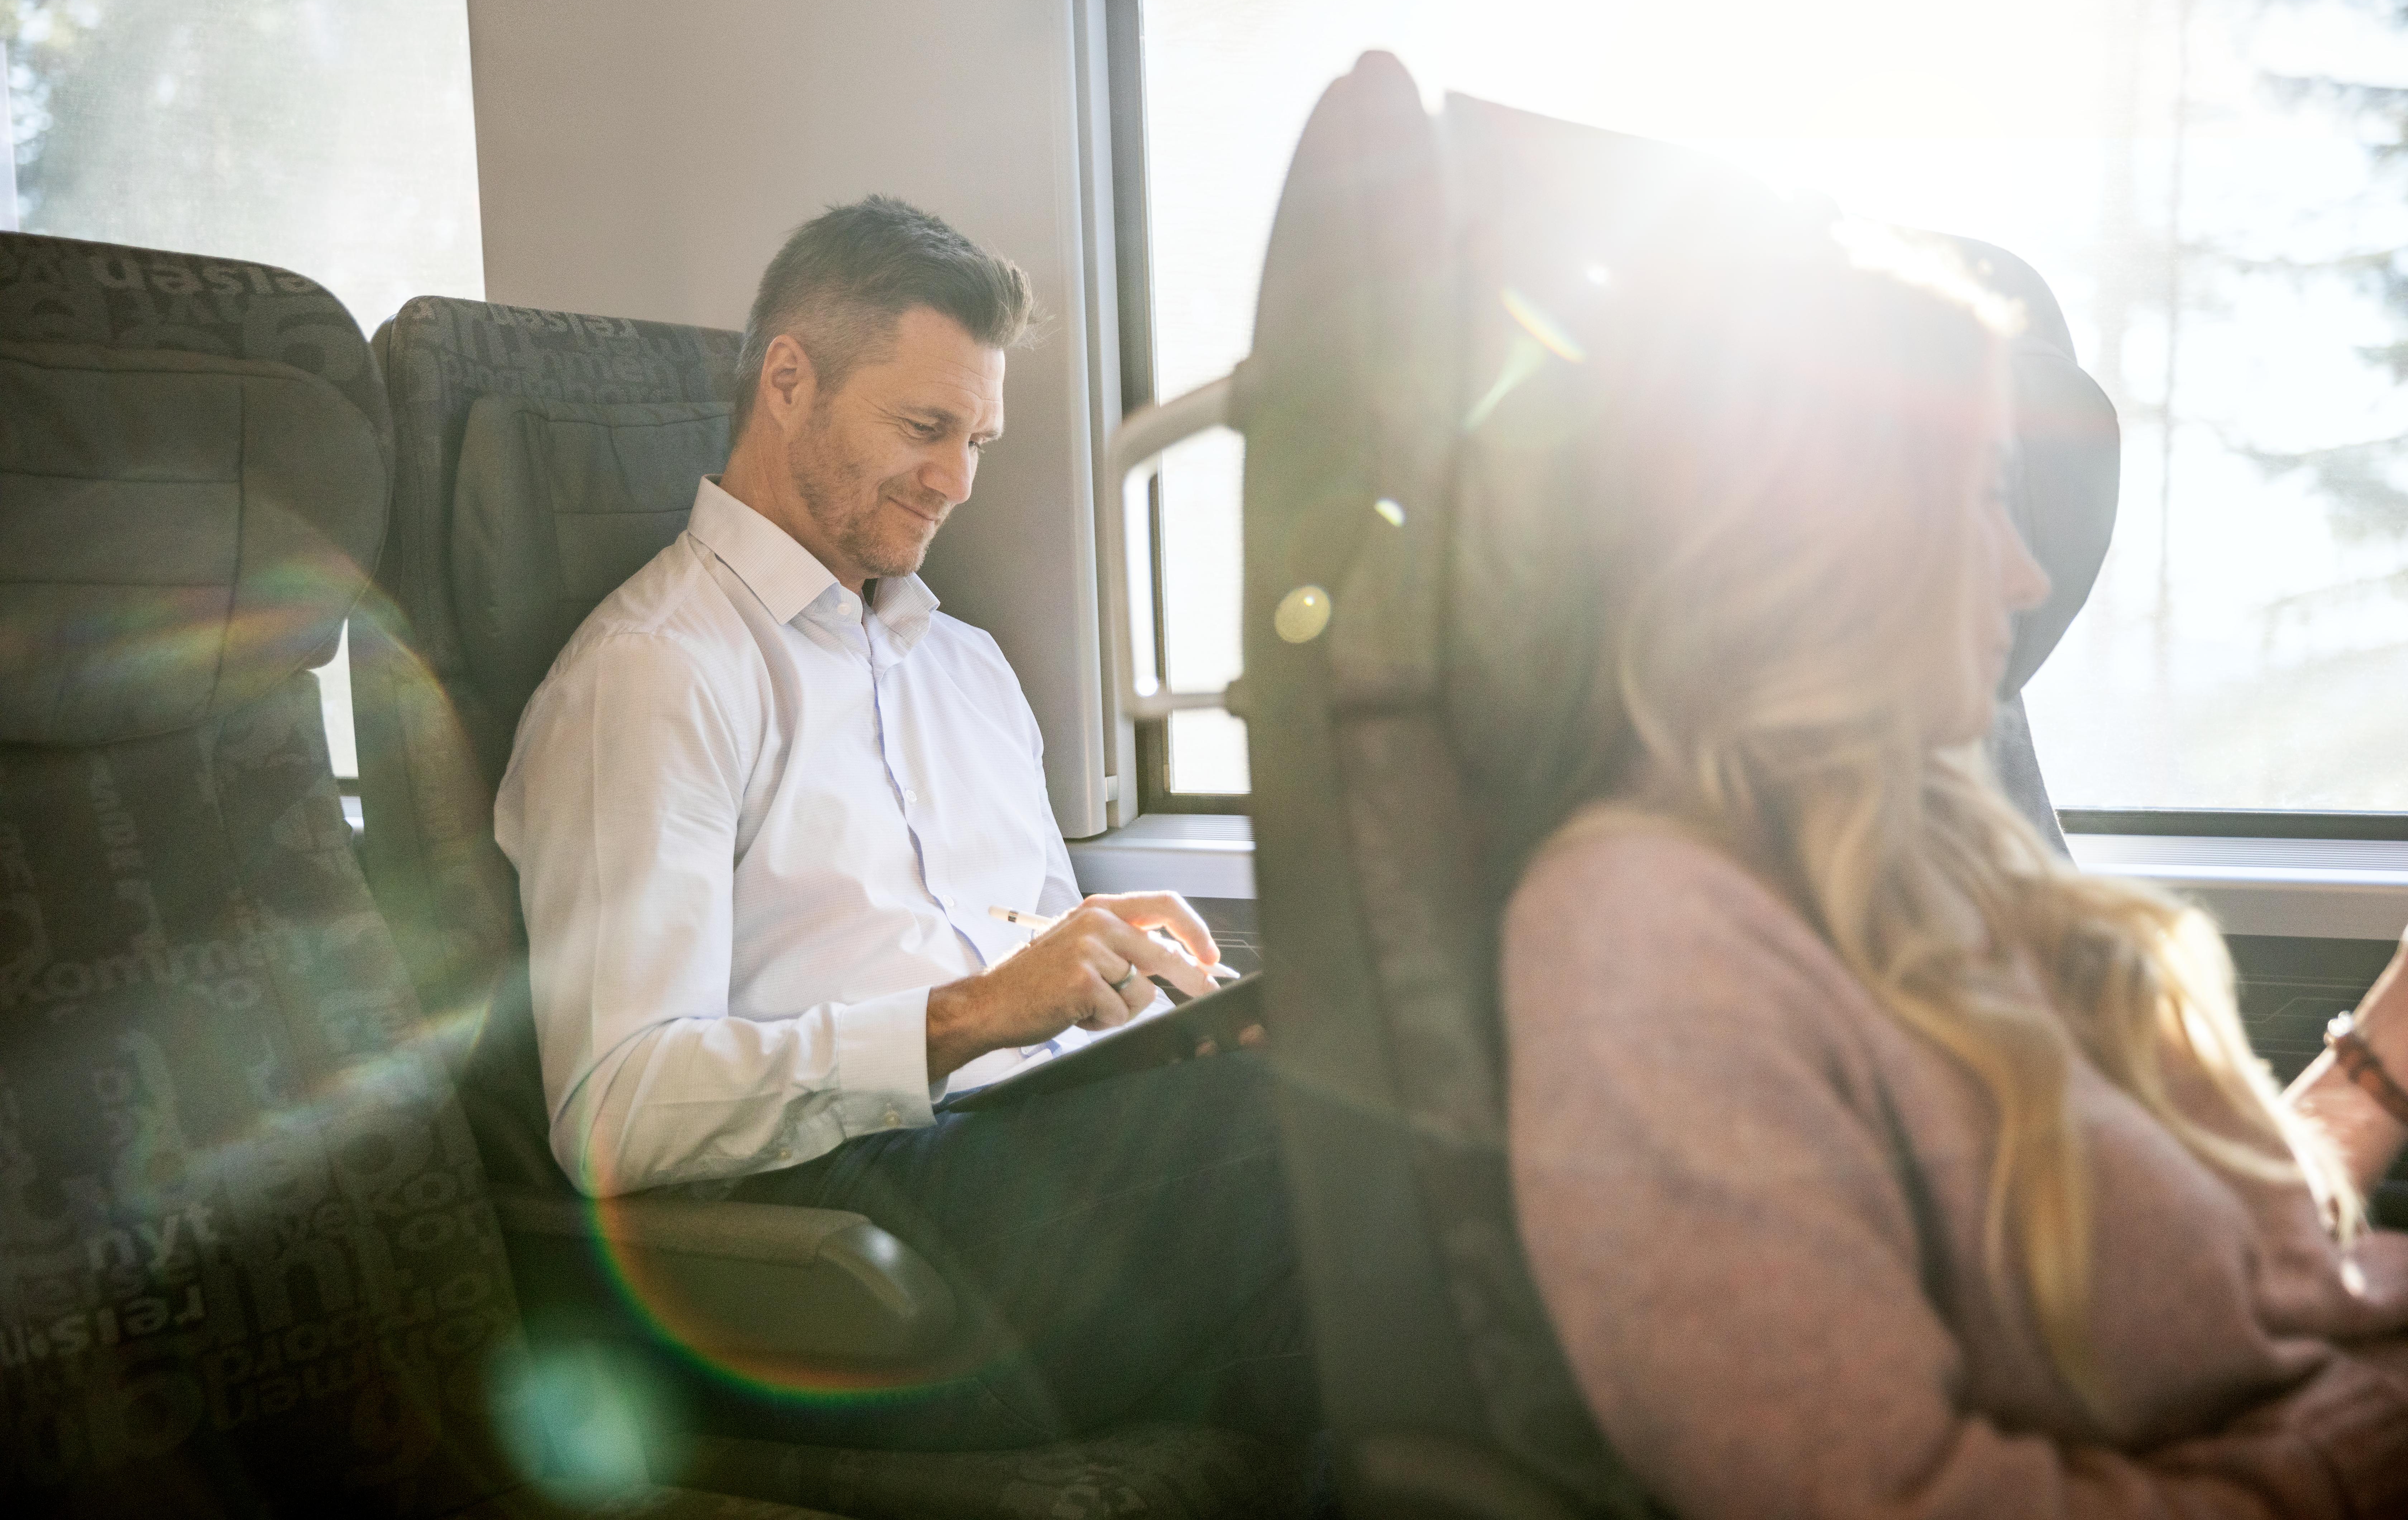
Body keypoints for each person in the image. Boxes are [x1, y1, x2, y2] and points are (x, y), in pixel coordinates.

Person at [1500, 228, 2408, 1515]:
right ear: (1841, 537)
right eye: (1989, 496)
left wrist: (2386, 1046)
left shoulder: (1942, 851)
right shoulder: (1649, 945)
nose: (2032, 573)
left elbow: (2232, 1287)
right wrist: (2362, 1450)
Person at [494, 196, 1310, 1449]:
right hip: (848, 1235)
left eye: (976, 437)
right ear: (789, 380)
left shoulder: (967, 665)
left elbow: (1015, 943)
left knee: (1339, 1078)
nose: (958, 480)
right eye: (925, 428)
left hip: (1025, 1147)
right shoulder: (657, 676)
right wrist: (969, 1017)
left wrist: (1120, 983)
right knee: (1320, 1133)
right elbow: (615, 1112)